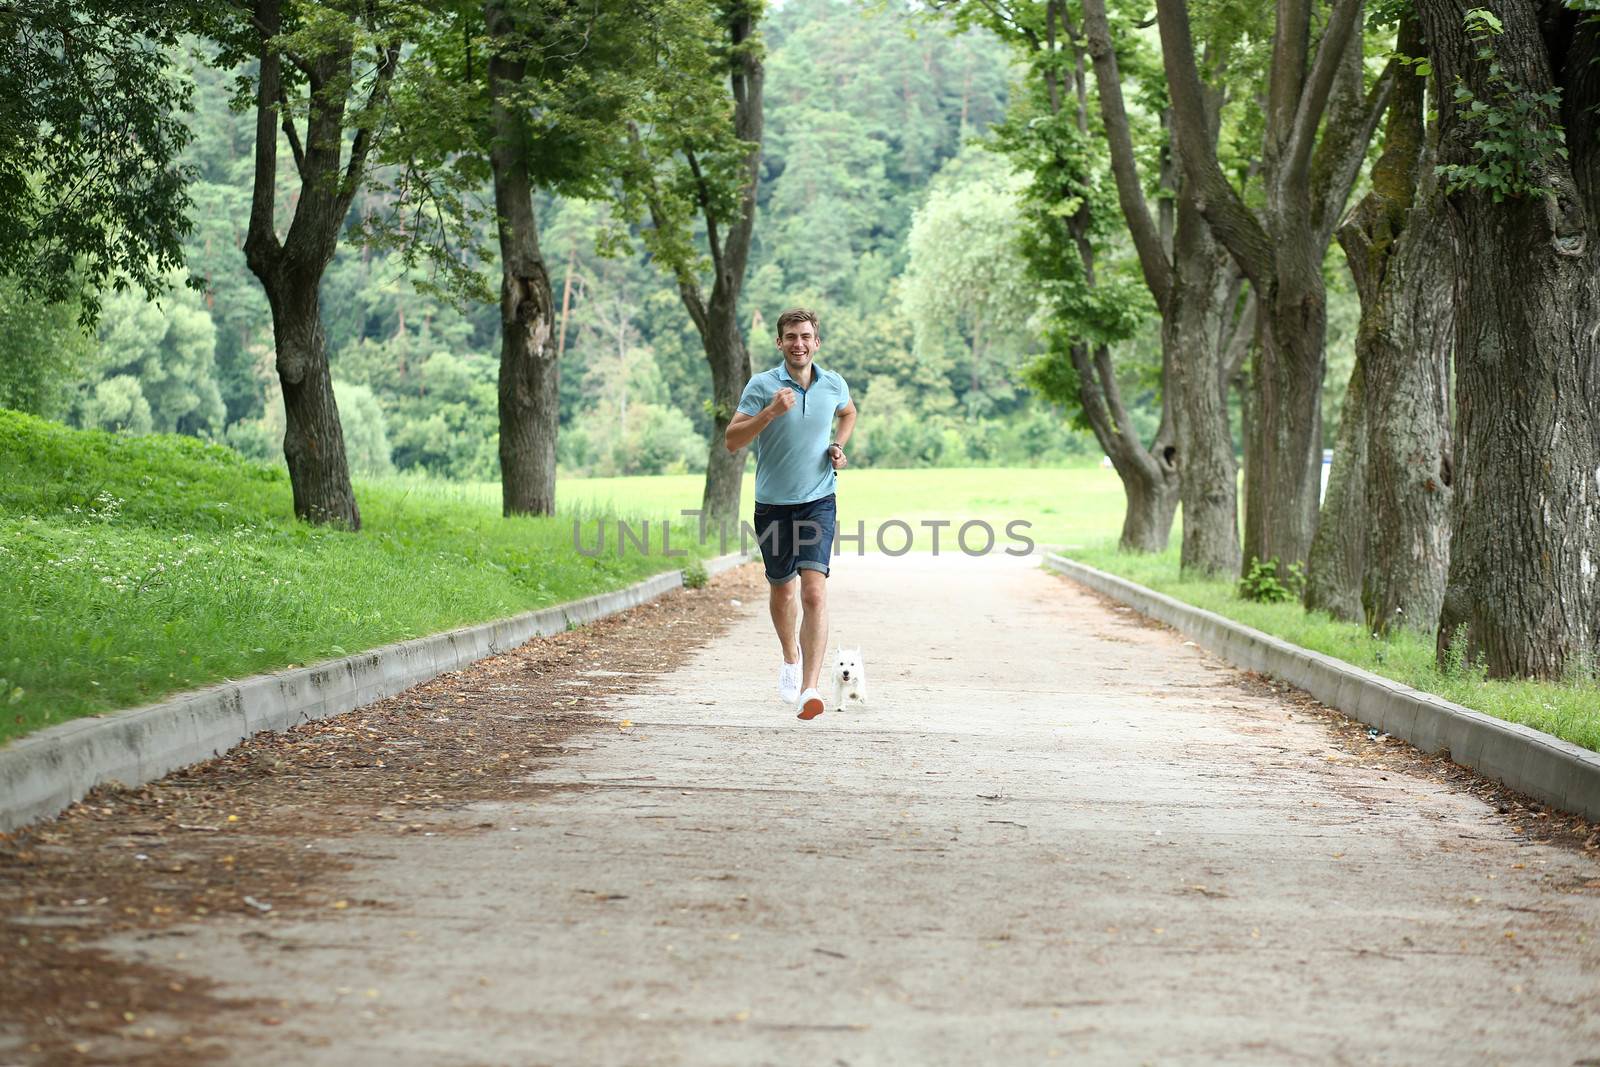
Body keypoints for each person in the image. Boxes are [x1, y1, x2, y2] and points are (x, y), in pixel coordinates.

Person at [724, 308, 856, 721]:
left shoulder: (833, 383)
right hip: (773, 504)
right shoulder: (762, 386)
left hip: (819, 499)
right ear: (780, 343)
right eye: (790, 337)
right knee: (782, 590)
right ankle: (789, 657)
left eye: (805, 336)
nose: (798, 343)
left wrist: (837, 445)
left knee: (814, 591)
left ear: (816, 342)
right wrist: (769, 413)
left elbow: (848, 411)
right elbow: (732, 440)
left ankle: (810, 689)